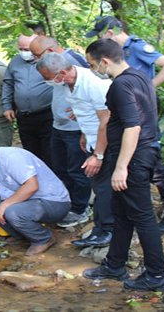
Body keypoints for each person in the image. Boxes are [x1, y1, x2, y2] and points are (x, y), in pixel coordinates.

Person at [82, 39, 164, 292]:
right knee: (121, 212)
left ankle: (156, 275)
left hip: (134, 156)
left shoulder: (120, 85)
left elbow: (133, 126)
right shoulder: (140, 76)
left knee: (143, 216)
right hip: (144, 152)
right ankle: (115, 264)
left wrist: (121, 167)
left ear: (105, 61)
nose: (92, 69)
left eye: (92, 64)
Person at [85, 16, 164, 235]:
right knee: (143, 165)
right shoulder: (118, 56)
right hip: (130, 108)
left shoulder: (137, 46)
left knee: (151, 163)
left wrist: (147, 88)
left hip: (140, 110)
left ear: (110, 34)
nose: (100, 39)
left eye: (100, 35)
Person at [37, 53, 114, 247]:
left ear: (62, 73)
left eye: (48, 78)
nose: (47, 82)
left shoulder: (93, 84)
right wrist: (83, 135)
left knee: (104, 189)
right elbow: (83, 112)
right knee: (97, 185)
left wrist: (98, 155)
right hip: (90, 140)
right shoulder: (68, 85)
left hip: (106, 144)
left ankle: (108, 231)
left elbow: (106, 122)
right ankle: (100, 228)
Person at [30, 36, 93, 228]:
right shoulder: (54, 65)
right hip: (59, 126)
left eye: (36, 55)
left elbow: (96, 87)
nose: (33, 59)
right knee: (61, 167)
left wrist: (82, 110)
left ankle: (81, 208)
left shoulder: (72, 61)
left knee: (77, 170)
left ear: (49, 52)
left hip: (75, 129)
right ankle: (68, 203)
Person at [1, 34, 53, 167]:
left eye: (27, 49)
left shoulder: (50, 61)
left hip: (47, 115)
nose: (24, 53)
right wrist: (7, 106)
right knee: (31, 154)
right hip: (24, 117)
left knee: (50, 154)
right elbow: (8, 84)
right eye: (21, 49)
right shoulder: (15, 62)